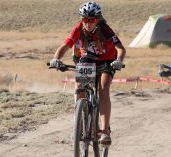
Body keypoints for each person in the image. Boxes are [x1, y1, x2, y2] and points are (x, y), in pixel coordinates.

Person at [49, 2, 126, 145]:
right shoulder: (78, 28)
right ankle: (81, 124)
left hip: (107, 60)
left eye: (92, 20)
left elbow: (121, 49)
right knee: (79, 88)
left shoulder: (105, 29)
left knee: (103, 89)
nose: (88, 23)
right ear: (81, 19)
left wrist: (119, 61)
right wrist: (56, 59)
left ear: (98, 19)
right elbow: (65, 46)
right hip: (86, 58)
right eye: (85, 19)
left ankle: (104, 131)